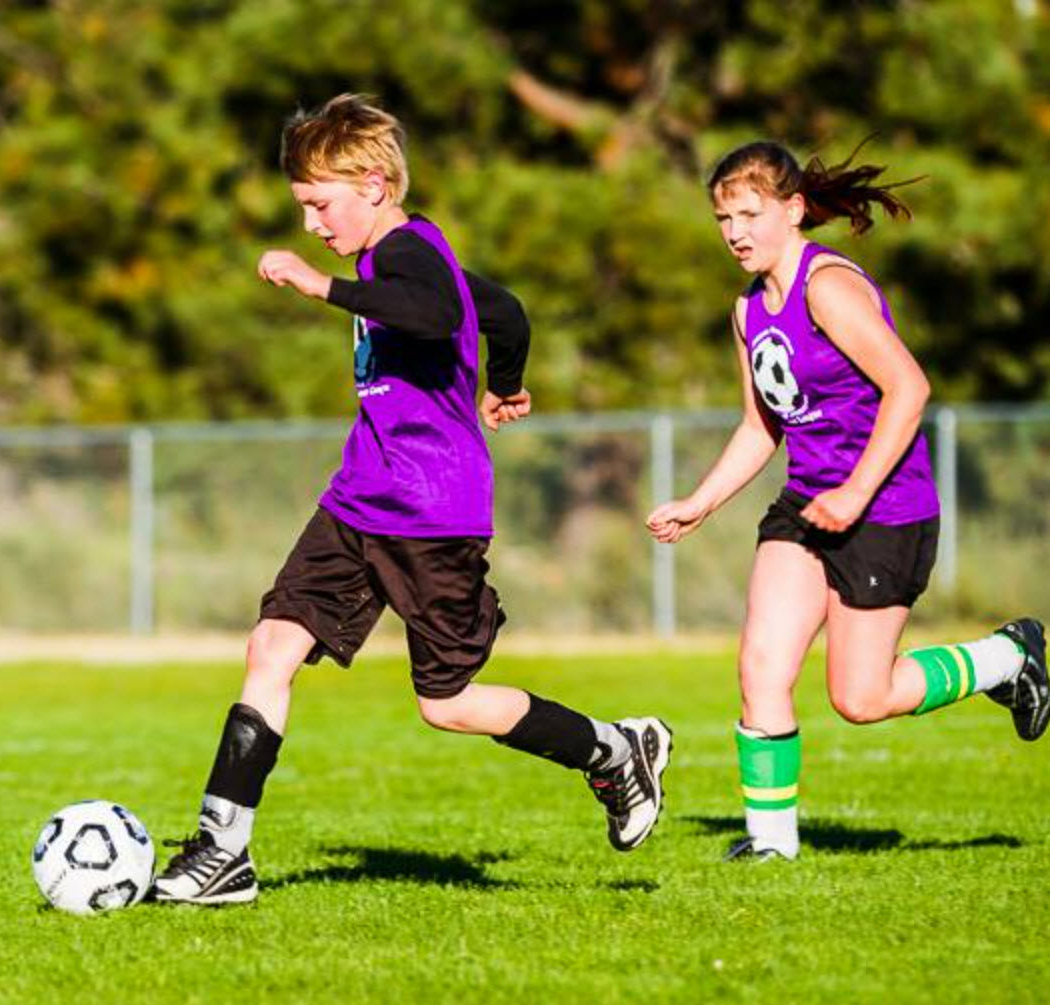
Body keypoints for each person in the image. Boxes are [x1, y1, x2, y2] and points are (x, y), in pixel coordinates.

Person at [151, 95, 673, 905]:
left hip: (434, 512)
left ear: (376, 183)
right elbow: (502, 311)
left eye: (321, 205)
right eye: (303, 210)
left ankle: (612, 749)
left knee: (449, 703)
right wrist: (506, 383)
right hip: (361, 496)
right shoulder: (389, 259)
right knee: (271, 646)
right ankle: (224, 850)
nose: (314, 224)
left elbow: (432, 311)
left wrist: (320, 287)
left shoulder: (407, 252)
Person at [645, 141, 1050, 861]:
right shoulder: (748, 312)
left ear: (794, 209)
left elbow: (910, 388)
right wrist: (699, 502)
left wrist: (857, 489)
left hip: (887, 509)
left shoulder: (828, 288)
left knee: (861, 698)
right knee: (761, 664)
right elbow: (758, 426)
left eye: (750, 212)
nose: (735, 230)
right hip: (807, 506)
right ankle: (771, 848)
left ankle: (1006, 658)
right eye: (722, 217)